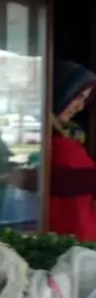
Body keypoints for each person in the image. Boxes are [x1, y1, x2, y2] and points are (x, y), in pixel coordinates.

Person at [48, 60, 96, 240]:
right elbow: (59, 181)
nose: (81, 107)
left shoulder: (68, 135)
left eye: (85, 100)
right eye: (79, 96)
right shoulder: (49, 140)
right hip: (67, 243)